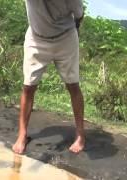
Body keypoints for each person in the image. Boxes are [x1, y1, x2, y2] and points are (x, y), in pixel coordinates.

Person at [13, 0, 85, 154]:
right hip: (36, 38)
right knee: (28, 86)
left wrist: (76, 32)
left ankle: (80, 135)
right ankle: (22, 135)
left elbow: (79, 16)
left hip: (65, 37)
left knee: (73, 85)